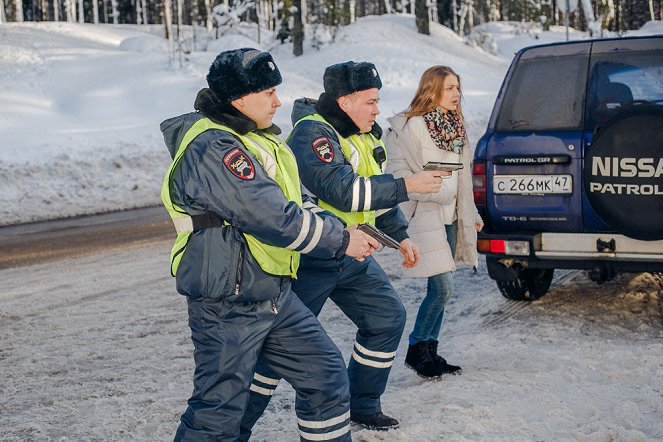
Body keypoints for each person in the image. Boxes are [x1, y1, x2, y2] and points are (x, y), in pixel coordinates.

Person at [160, 48, 379, 441]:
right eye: (269, 92)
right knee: (219, 410)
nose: (279, 101)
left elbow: (294, 202)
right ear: (240, 99)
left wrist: (337, 227)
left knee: (326, 378)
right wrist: (342, 239)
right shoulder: (214, 148)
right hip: (228, 298)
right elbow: (272, 217)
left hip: (272, 291)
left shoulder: (254, 139)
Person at [240, 61, 447, 436]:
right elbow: (345, 190)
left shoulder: (366, 135)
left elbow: (376, 195)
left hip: (352, 254)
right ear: (346, 100)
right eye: (371, 101)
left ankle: (363, 404)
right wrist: (409, 185)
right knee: (276, 351)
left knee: (387, 317)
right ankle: (235, 427)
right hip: (310, 258)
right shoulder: (312, 134)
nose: (377, 109)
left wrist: (399, 234)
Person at [384, 65, 483, 379]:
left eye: (458, 87)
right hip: (425, 215)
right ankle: (416, 349)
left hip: (452, 215)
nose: (457, 94)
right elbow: (398, 176)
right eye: (450, 88)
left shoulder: (456, 127)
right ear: (432, 90)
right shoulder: (411, 127)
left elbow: (462, 179)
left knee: (441, 289)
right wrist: (432, 188)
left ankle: (430, 351)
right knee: (442, 286)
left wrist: (473, 214)